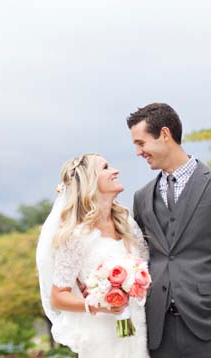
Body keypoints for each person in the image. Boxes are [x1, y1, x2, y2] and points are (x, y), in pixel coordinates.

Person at [128, 103, 211, 357]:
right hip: (158, 333)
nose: (138, 152)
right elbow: (141, 260)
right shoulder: (142, 197)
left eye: (141, 143)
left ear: (164, 134)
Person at [36, 153, 149, 358]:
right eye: (106, 167)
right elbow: (58, 297)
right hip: (102, 337)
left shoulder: (127, 225)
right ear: (91, 181)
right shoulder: (77, 235)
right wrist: (103, 304)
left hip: (139, 329)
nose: (115, 171)